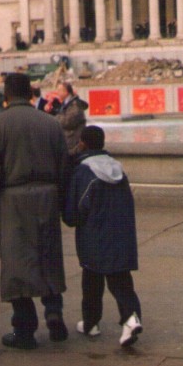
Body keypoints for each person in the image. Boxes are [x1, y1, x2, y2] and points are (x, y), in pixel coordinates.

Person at [0, 72, 69, 350]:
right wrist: (59, 199)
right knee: (48, 257)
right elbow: (64, 166)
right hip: (47, 197)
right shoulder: (51, 124)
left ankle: (24, 329)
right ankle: (54, 312)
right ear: (30, 93)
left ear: (6, 94)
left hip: (11, 200)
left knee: (17, 264)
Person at [63, 125, 143, 346]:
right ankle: (116, 319)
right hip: (121, 234)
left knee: (92, 280)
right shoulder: (118, 169)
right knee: (120, 280)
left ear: (83, 143)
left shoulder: (83, 172)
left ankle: (103, 322)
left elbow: (73, 213)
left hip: (94, 235)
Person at [54, 81, 88, 152]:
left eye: (59, 90)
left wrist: (55, 118)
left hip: (73, 143)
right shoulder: (64, 104)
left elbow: (68, 122)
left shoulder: (74, 105)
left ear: (66, 92)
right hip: (67, 141)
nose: (57, 92)